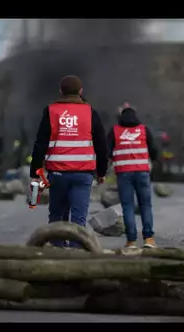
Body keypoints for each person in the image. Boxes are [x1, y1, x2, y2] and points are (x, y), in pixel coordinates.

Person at [29, 75, 108, 248]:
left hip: (57, 174)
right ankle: (76, 257)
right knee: (78, 220)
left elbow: (40, 144)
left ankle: (57, 254)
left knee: (57, 217)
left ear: (60, 91)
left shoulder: (50, 111)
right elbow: (102, 145)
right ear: (81, 91)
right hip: (83, 174)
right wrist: (102, 172)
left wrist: (35, 172)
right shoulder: (90, 112)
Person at [108, 106, 159, 249]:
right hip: (142, 173)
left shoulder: (114, 131)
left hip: (124, 173)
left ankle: (131, 241)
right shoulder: (144, 130)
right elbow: (154, 151)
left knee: (127, 206)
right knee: (146, 206)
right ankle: (149, 239)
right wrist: (152, 159)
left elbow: (107, 151)